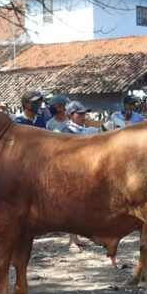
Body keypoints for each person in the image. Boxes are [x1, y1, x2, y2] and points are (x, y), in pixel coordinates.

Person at [60, 101, 98, 249]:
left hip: (85, 170)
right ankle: (72, 240)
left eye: (83, 113)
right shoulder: (66, 131)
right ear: (71, 115)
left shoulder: (85, 130)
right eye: (79, 113)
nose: (83, 116)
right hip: (71, 172)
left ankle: (78, 237)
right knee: (70, 206)